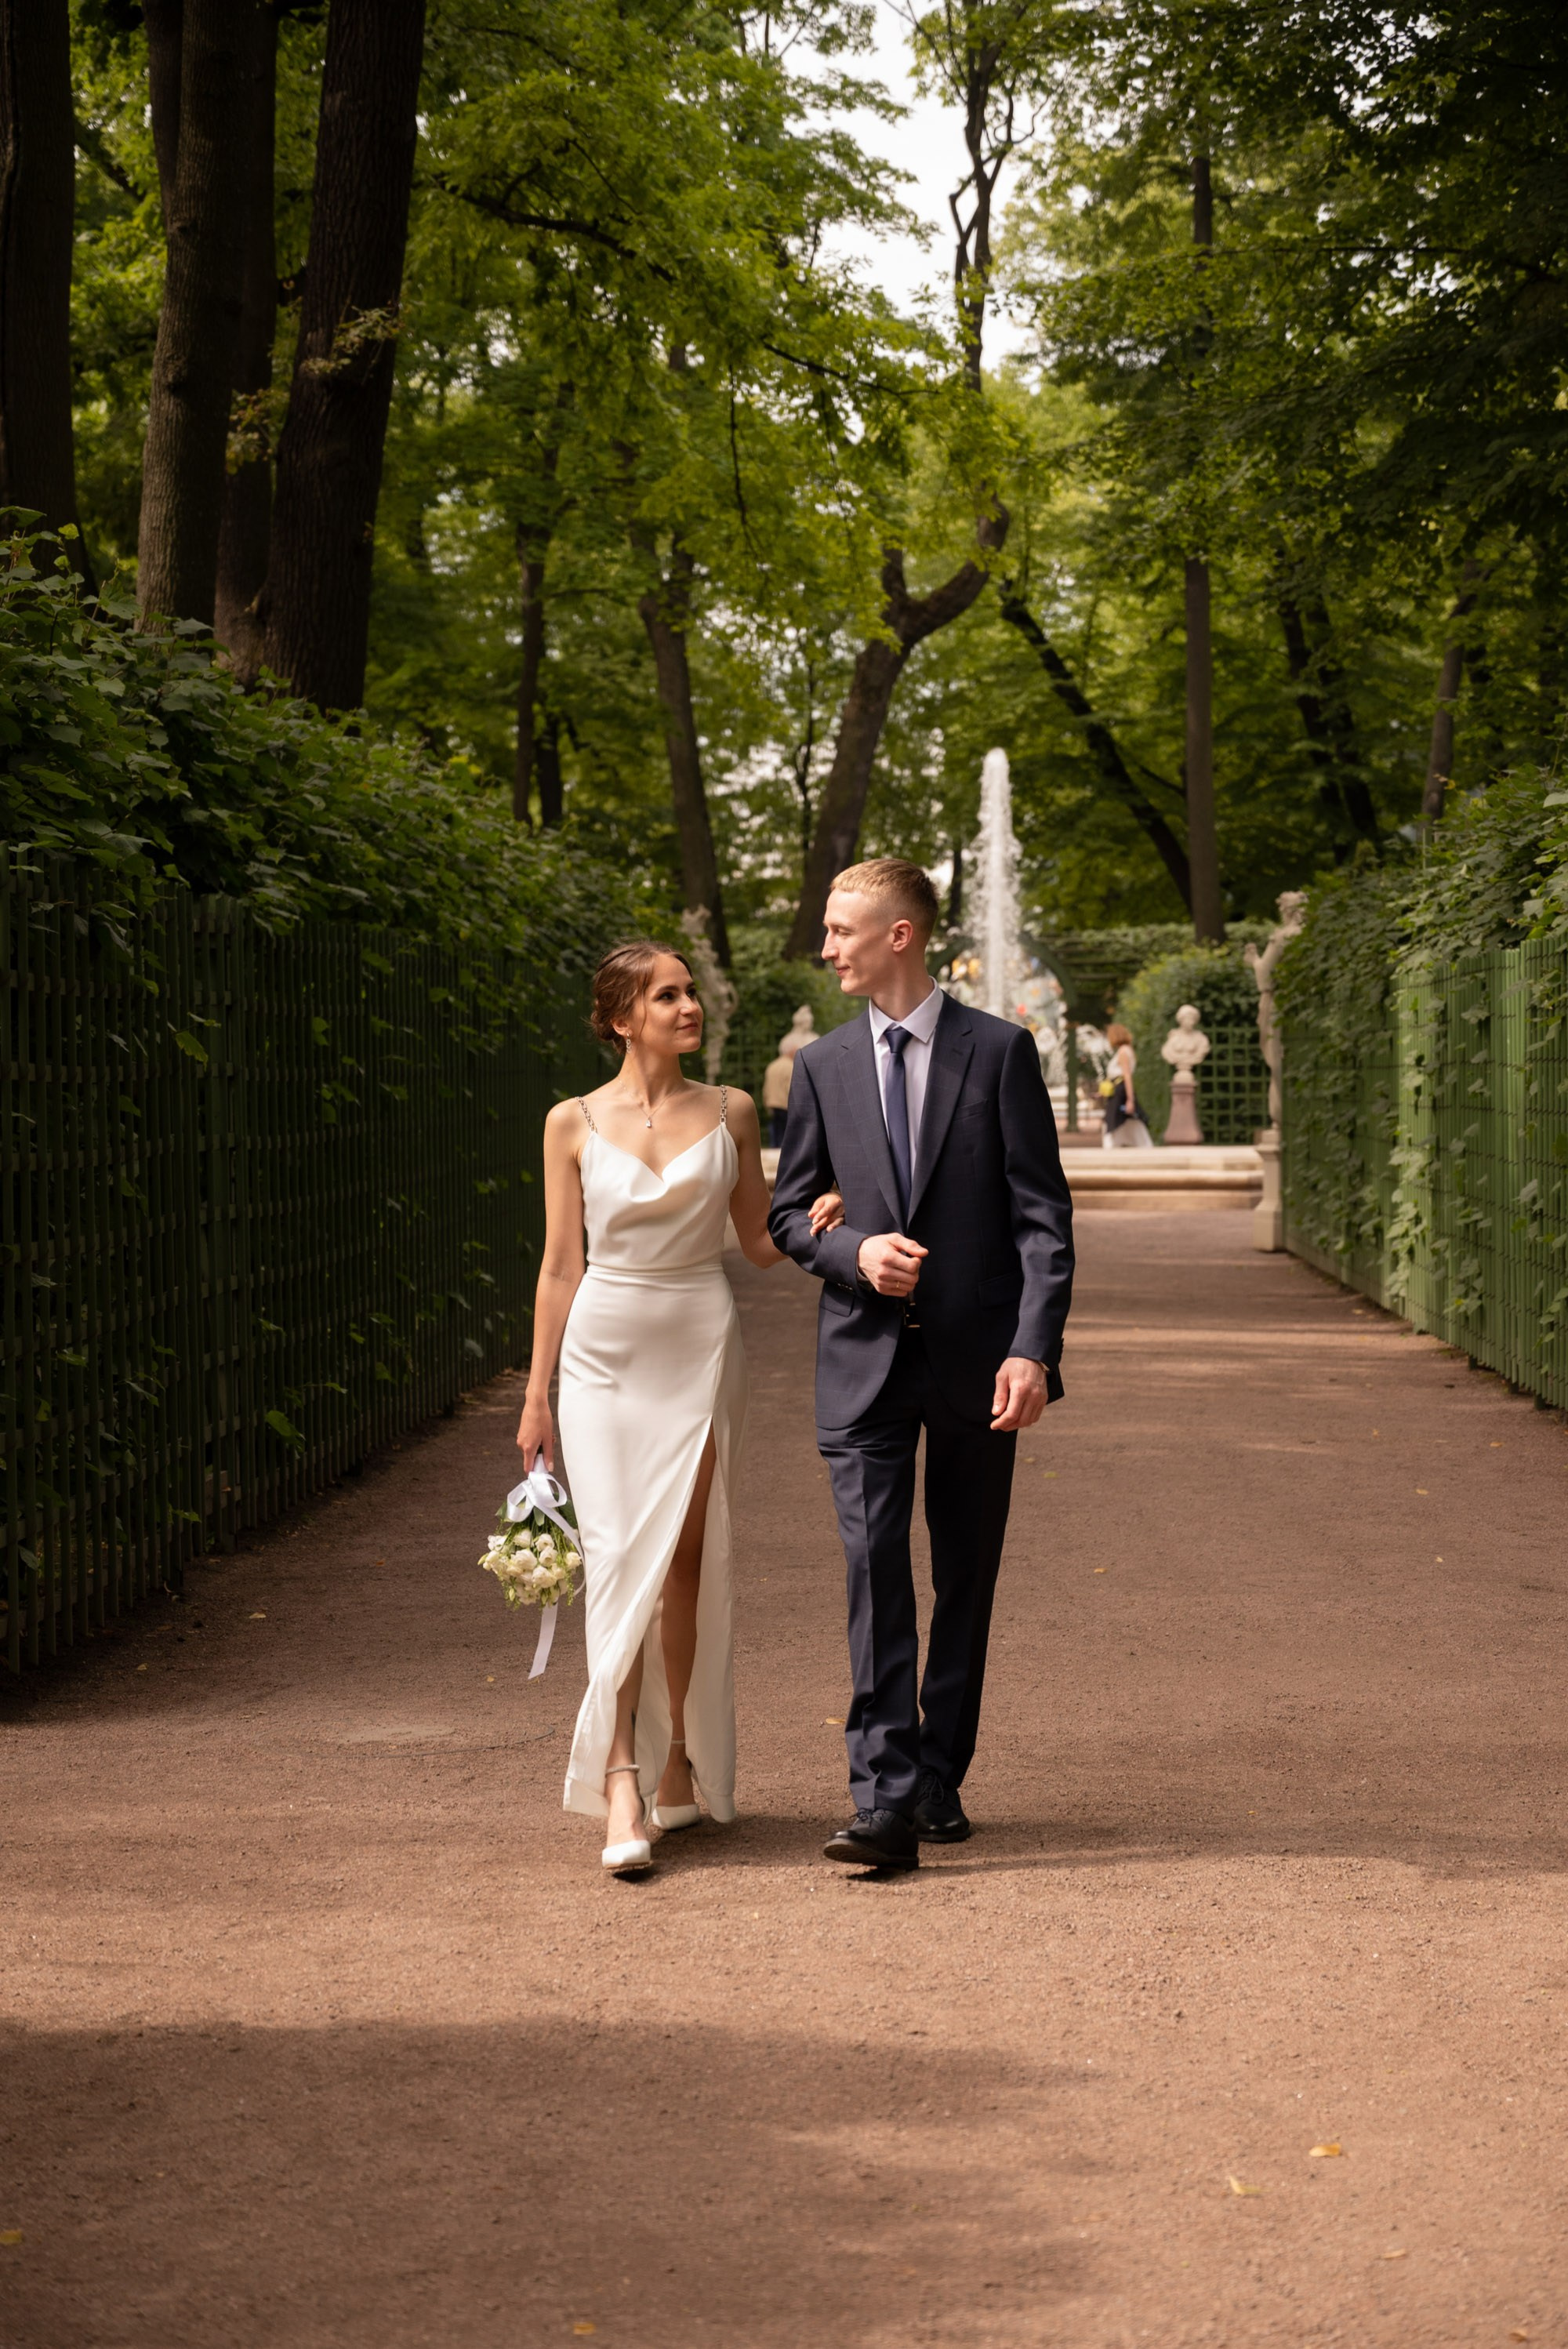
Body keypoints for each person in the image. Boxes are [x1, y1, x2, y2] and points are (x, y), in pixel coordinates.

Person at [769, 859, 1075, 1870]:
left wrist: (1032, 1347)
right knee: (871, 1568)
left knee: (964, 1574)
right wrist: (848, 1251)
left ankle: (940, 1769)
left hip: (979, 1361)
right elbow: (787, 1214)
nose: (826, 946)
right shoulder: (819, 1067)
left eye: (840, 928)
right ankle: (883, 1796)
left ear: (897, 934)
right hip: (859, 1360)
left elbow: (1042, 1218)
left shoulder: (1000, 1053)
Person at [517, 942, 842, 1876]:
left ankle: (673, 1763)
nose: (688, 1005)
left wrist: (815, 1219)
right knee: (619, 1554)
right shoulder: (568, 1123)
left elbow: (755, 1240)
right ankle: (616, 1772)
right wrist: (536, 1395)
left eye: (689, 991)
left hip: (699, 1338)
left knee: (684, 1562)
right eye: (667, 994)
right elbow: (558, 1267)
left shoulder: (732, 1110)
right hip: (602, 1353)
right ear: (623, 1017)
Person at [1100, 1021, 1153, 1149]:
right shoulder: (1126, 1050)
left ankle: (1110, 1145)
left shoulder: (1123, 1052)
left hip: (1120, 1090)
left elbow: (1127, 1076)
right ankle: (1142, 1144)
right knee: (1128, 1119)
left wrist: (1130, 1099)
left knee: (1113, 1118)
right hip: (1119, 1089)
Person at [761, 1047, 796, 1147]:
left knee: (776, 1133)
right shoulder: (790, 1066)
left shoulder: (772, 1065)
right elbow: (791, 1088)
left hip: (772, 1103)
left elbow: (766, 1088)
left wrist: (766, 1102)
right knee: (787, 1134)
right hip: (785, 1104)